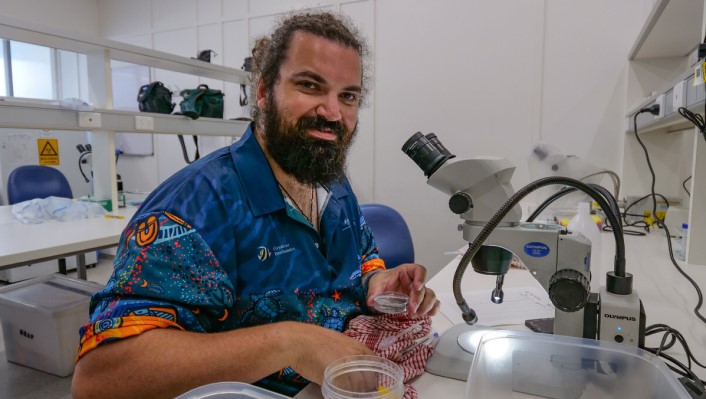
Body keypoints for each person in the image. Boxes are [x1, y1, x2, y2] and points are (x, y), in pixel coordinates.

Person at [71, 11, 439, 399]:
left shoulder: (329, 178)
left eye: (348, 95)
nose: (333, 112)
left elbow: (362, 254)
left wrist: (375, 280)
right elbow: (100, 379)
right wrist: (292, 343)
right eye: (311, 86)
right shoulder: (196, 209)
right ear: (264, 92)